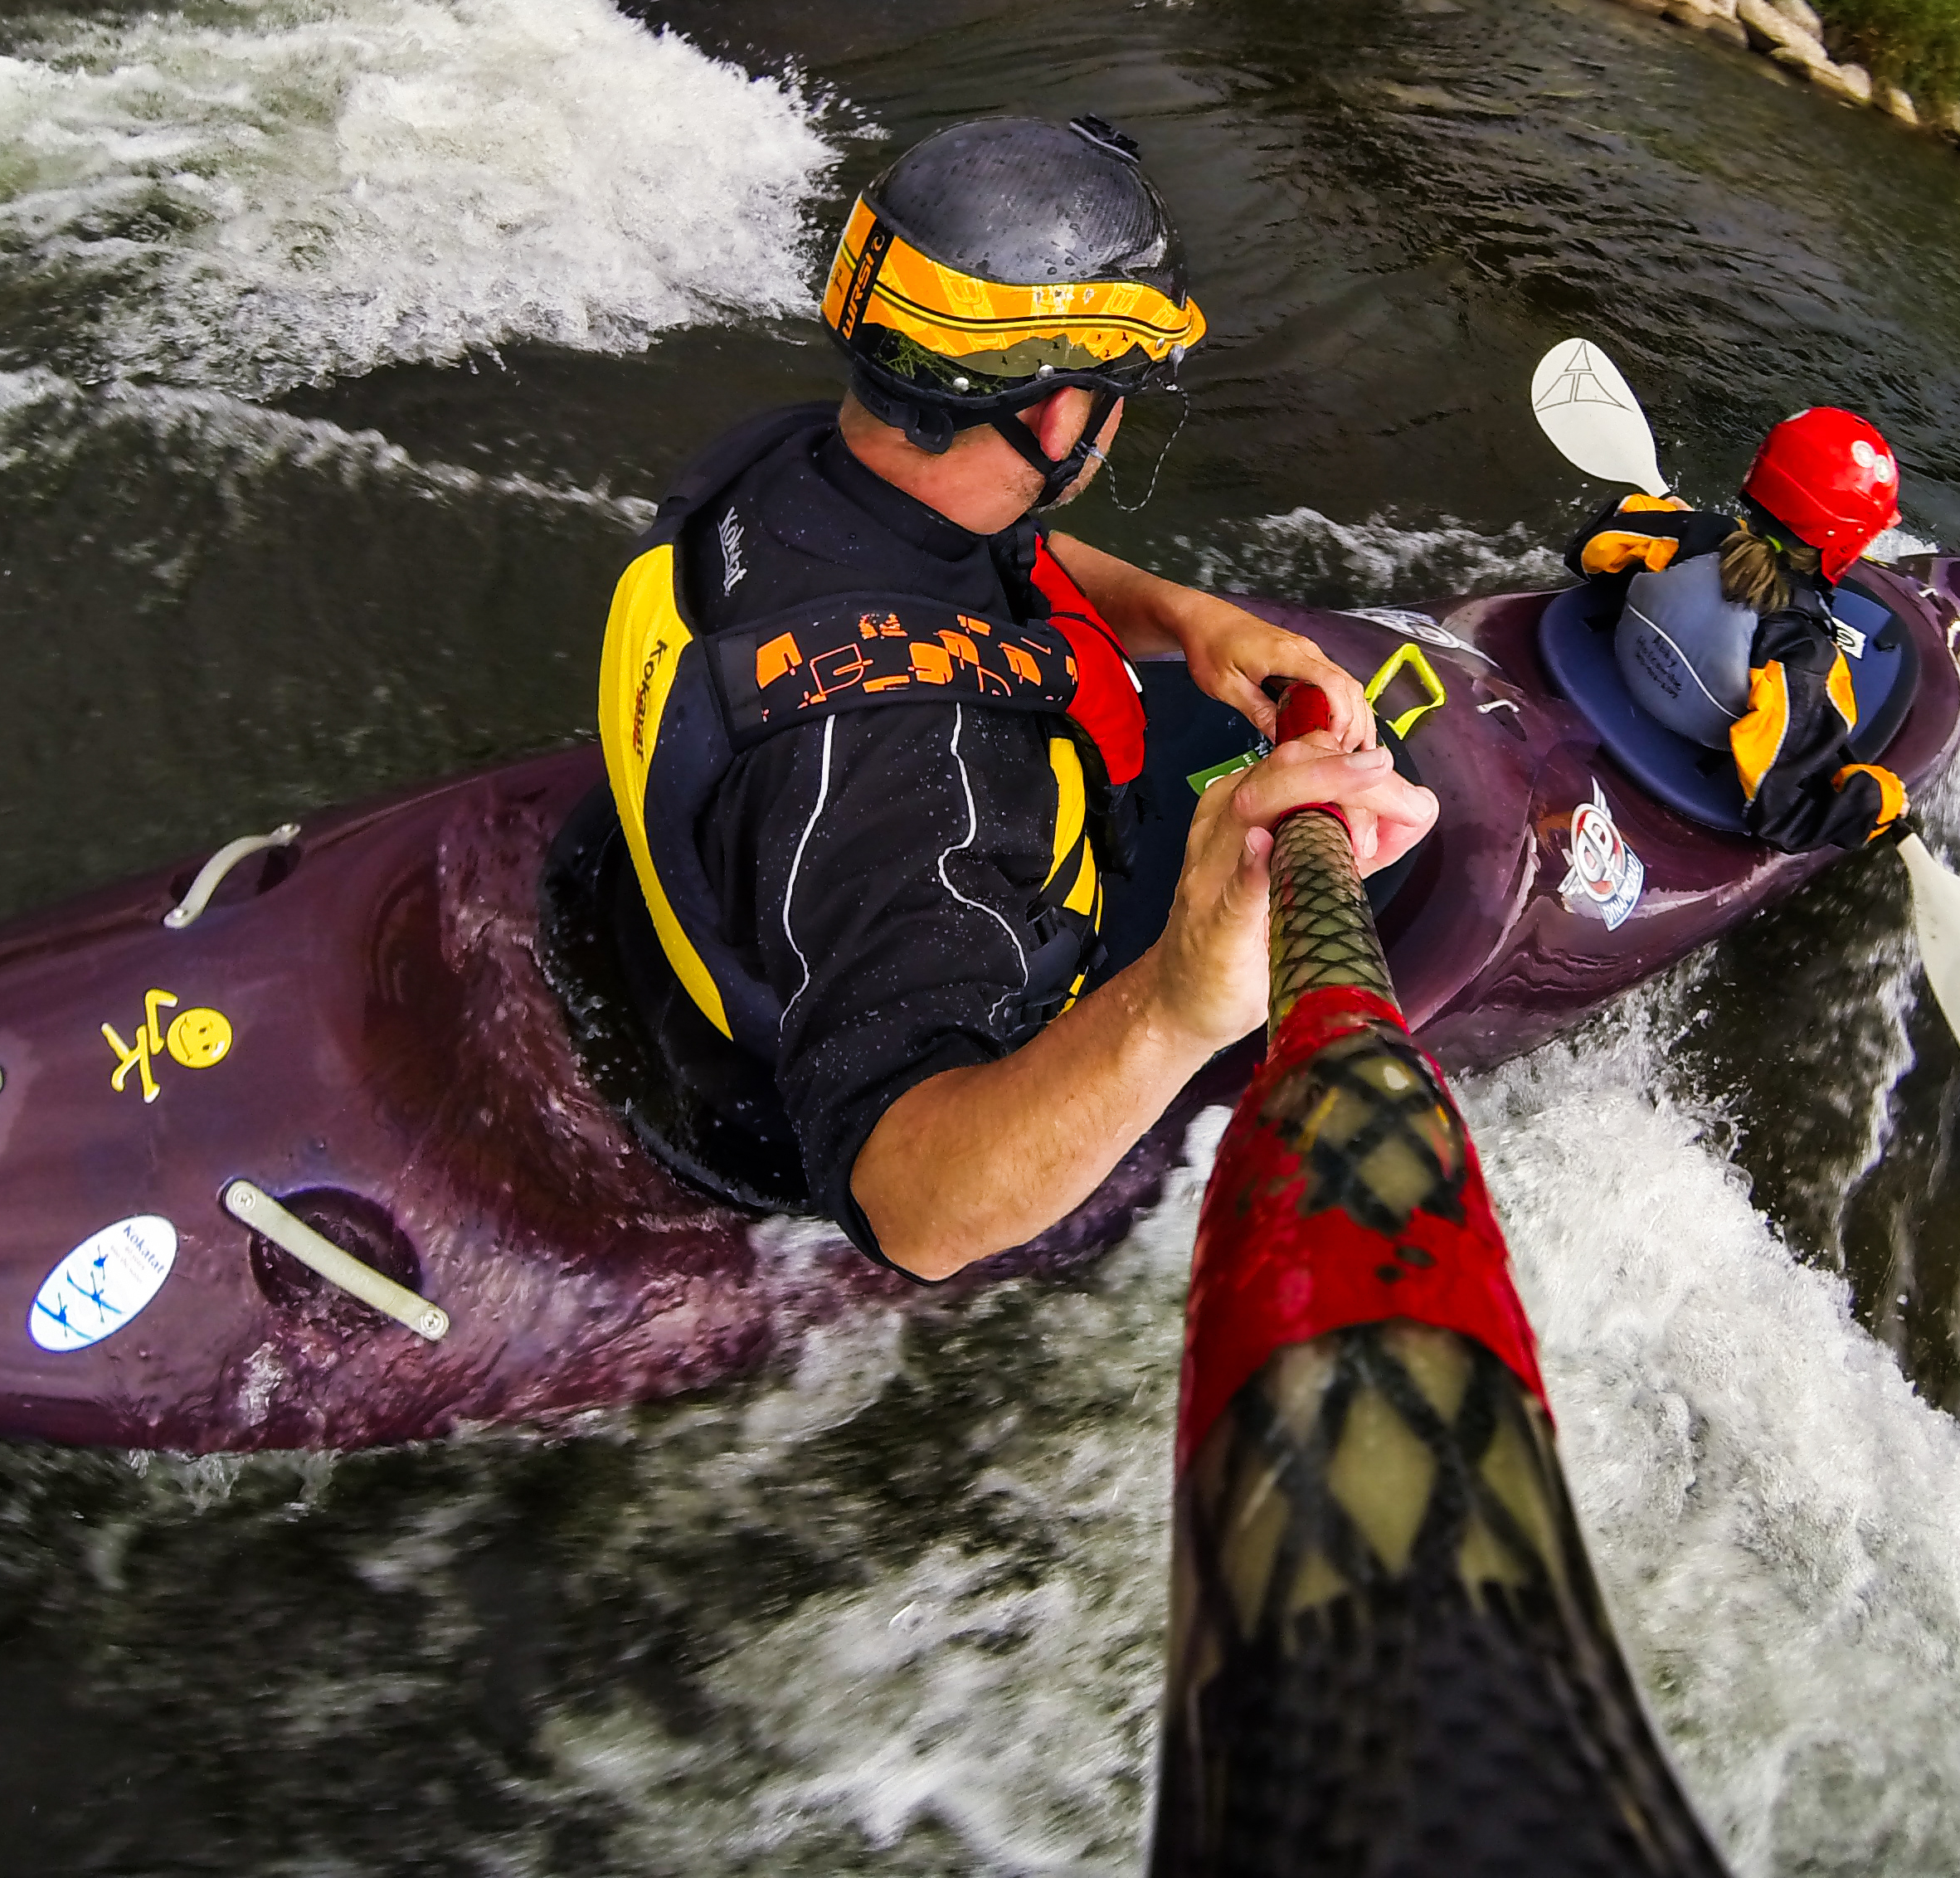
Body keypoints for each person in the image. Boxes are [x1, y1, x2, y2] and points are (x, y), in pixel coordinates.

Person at [588, 116, 1435, 1282]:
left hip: (733, 890)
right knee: (1389, 867)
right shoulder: (918, 776)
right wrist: (1180, 1000)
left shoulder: (789, 463)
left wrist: (1187, 617)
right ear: (1053, 416)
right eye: (1119, 391)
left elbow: (986, 555)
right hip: (794, 1100)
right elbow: (915, 1214)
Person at [1566, 405, 1911, 852]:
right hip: (1686, 741)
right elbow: (1781, 814)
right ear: (1848, 541)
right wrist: (1874, 801)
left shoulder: (1690, 536)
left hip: (1621, 667)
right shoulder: (1806, 658)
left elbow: (1588, 550)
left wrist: (1680, 522)